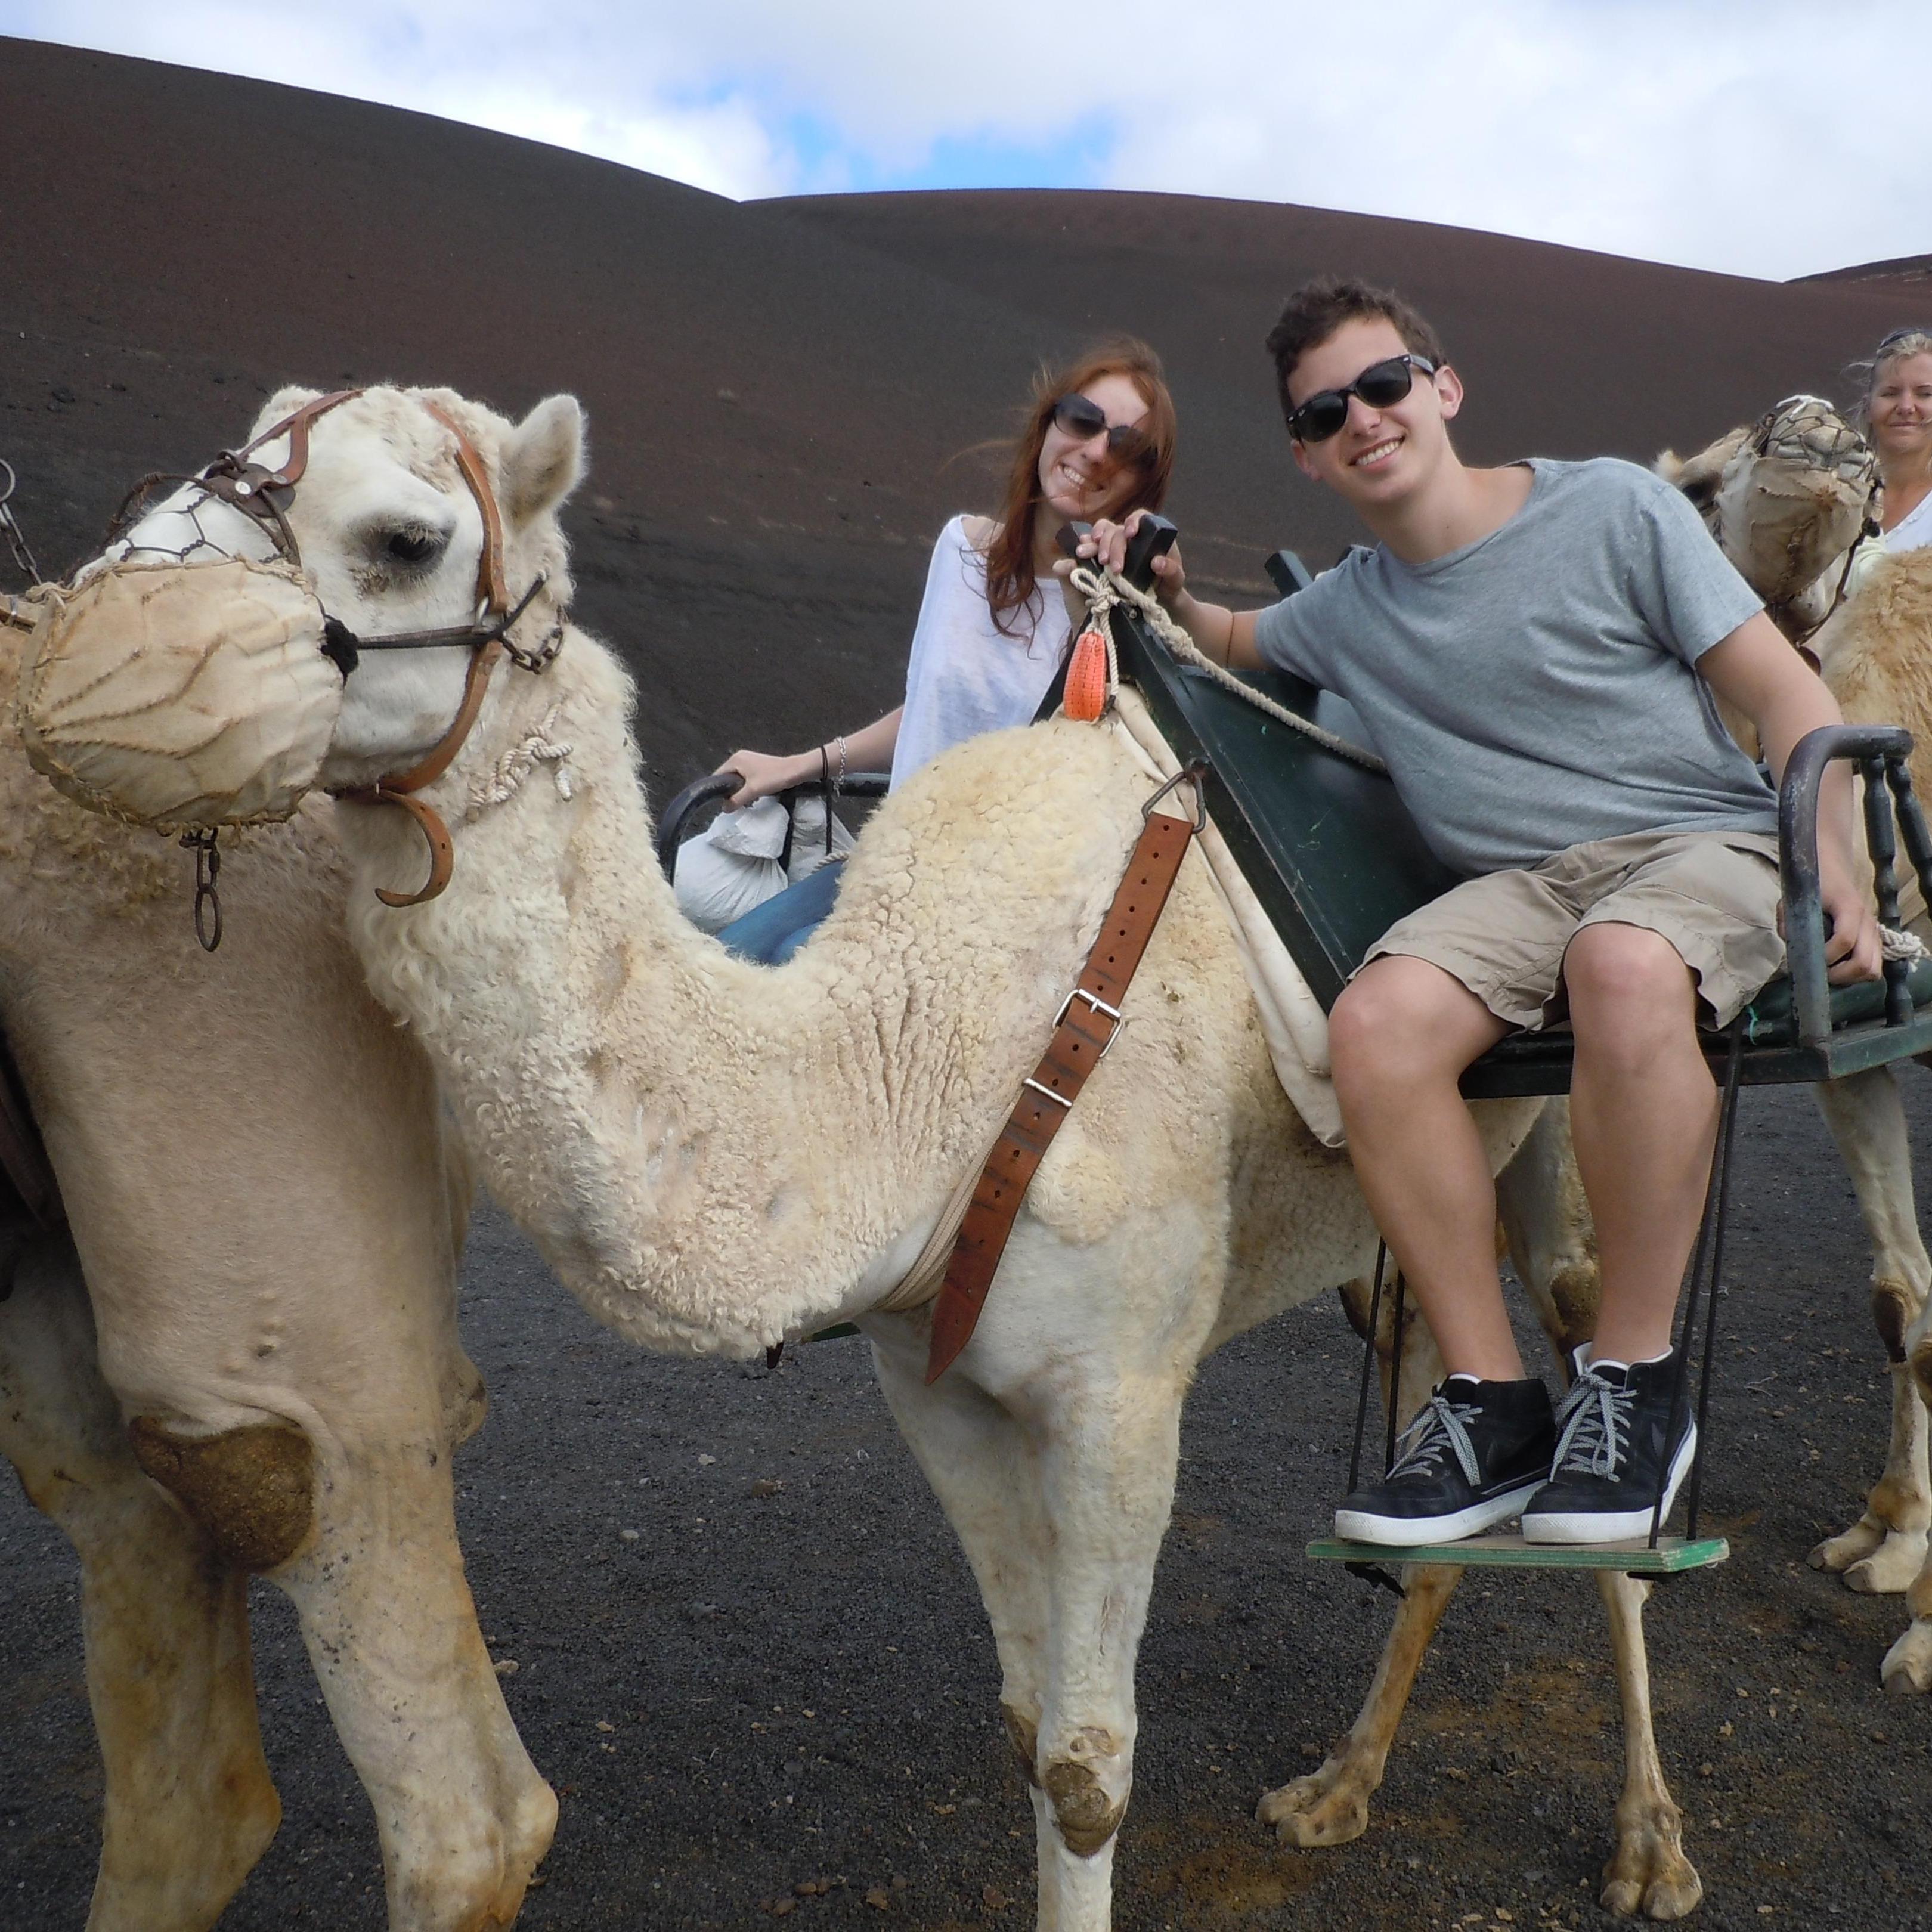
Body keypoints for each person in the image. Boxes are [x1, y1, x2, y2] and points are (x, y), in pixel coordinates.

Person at [1077, 276, 1881, 1547]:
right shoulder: (1351, 603)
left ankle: (1631, 1388)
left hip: (1696, 840)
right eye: (1328, 408)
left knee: (1622, 964)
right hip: (1519, 890)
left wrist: (1829, 851)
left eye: (1385, 384)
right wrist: (1166, 590)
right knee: (1379, 1022)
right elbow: (1238, 637)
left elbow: (1789, 696)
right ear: (1307, 454)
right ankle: (1493, 1401)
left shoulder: (1608, 506)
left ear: (1442, 390)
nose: (1366, 417)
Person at [709, 342, 1178, 964]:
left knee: (792, 973)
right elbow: (934, 709)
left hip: (979, 921)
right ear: (1050, 424)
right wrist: (801, 764)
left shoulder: (1113, 618)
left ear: (1143, 483)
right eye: (1083, 420)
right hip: (887, 868)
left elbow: (1080, 779)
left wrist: (1089, 602)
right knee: (725, 960)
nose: (1095, 451)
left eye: (1125, 446)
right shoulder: (960, 549)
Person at [1860, 326, 1932, 553]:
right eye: (1890, 393)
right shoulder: (1830, 498)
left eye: (1925, 394)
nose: (1906, 407)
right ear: (1868, 407)